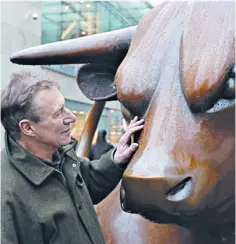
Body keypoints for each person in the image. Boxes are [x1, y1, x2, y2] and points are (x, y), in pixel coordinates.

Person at [1, 72, 144, 244]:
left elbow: (88, 181)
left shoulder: (61, 155)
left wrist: (116, 159)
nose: (72, 117)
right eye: (58, 113)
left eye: (65, 106)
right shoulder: (6, 195)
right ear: (28, 128)